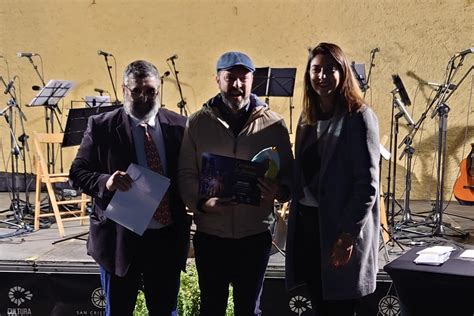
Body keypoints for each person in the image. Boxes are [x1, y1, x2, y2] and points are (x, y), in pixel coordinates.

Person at [69, 60, 190, 316]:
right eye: (136, 91)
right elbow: (77, 173)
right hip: (120, 239)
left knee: (166, 311)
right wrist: (106, 181)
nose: (144, 98)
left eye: (150, 91)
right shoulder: (102, 125)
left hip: (165, 238)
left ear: (159, 90)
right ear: (125, 89)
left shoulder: (179, 126)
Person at [178, 51, 293, 316]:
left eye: (244, 78)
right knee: (211, 308)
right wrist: (203, 204)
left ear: (253, 80)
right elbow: (185, 175)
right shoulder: (197, 123)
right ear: (217, 79)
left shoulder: (274, 125)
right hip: (211, 235)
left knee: (249, 310)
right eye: (230, 78)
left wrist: (279, 191)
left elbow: (289, 177)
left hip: (254, 235)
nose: (237, 86)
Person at [285, 42, 380, 316]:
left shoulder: (359, 117)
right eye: (316, 69)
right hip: (309, 227)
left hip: (339, 230)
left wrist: (347, 236)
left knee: (339, 307)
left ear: (343, 73)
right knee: (319, 303)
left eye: (330, 69)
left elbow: (367, 186)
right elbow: (302, 172)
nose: (322, 76)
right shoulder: (307, 118)